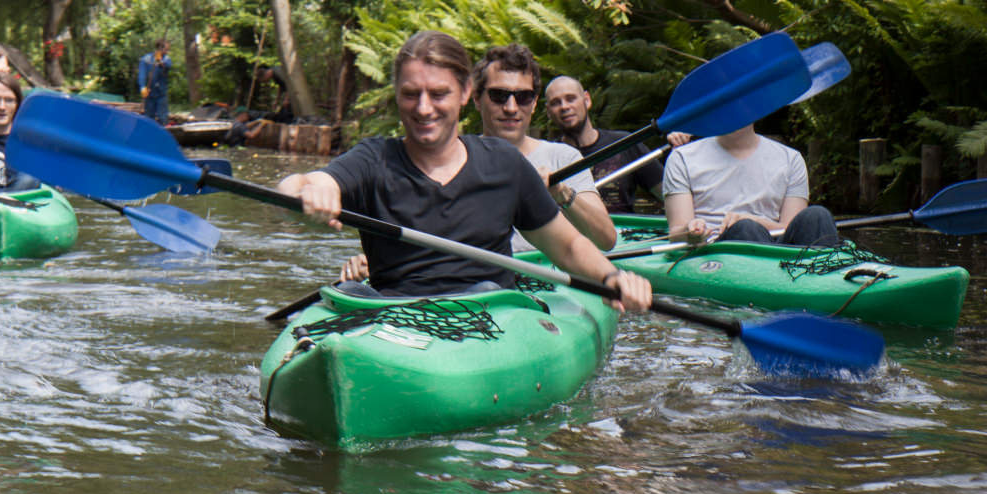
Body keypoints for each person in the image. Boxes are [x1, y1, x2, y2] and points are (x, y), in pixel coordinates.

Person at [278, 30, 649, 310]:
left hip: (487, 311)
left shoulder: (504, 164)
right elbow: (298, 183)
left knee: (484, 293)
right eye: (411, 94)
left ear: (464, 92)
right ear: (396, 94)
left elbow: (568, 246)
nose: (424, 108)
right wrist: (307, 189)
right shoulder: (374, 159)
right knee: (345, 293)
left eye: (438, 94)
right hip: (392, 315)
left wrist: (611, 277)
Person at [473, 46, 616, 252]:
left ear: (533, 104)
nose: (511, 108)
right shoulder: (456, 157)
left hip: (549, 277)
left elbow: (607, 240)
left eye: (523, 97)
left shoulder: (563, 157)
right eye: (498, 95)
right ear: (477, 100)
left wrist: (562, 194)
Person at [663, 124, 838, 246]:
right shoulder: (681, 158)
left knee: (818, 216)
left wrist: (757, 221)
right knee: (745, 230)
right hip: (715, 252)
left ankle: (827, 284)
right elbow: (677, 233)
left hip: (777, 248)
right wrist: (691, 230)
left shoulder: (791, 159)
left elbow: (792, 228)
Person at [544, 75, 690, 214]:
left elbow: (670, 195)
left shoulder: (625, 144)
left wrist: (681, 155)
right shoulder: (547, 157)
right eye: (555, 103)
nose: (564, 107)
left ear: (586, 100)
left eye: (571, 99)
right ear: (548, 112)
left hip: (626, 235)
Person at [138, 39, 172, 125]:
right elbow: (142, 75)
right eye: (166, 49)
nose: (167, 51)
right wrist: (142, 87)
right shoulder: (145, 59)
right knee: (149, 117)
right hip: (149, 92)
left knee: (163, 116)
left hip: (161, 93)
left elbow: (167, 66)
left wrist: (160, 62)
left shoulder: (166, 59)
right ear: (160, 48)